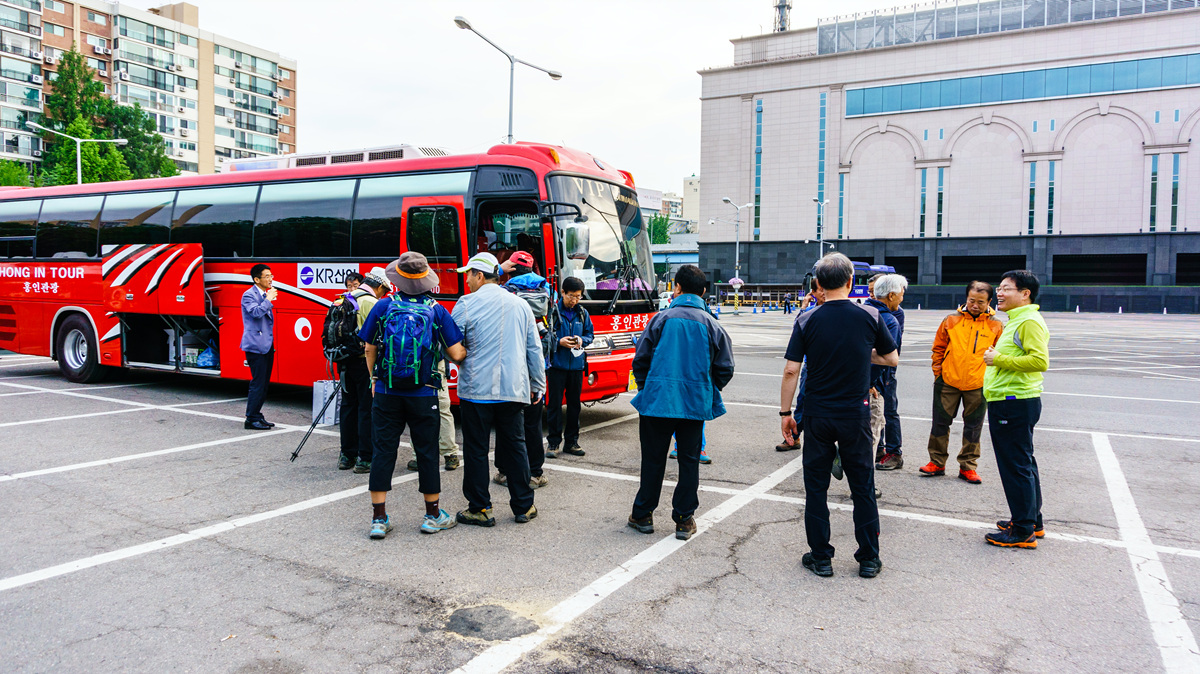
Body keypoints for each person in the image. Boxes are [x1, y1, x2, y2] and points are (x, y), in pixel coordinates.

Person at [779, 253, 897, 579]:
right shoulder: (870, 315)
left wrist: (786, 413)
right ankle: (869, 558)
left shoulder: (806, 319)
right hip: (855, 414)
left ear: (818, 283)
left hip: (818, 414)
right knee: (862, 487)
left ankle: (821, 557)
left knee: (816, 489)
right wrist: (860, 353)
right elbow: (891, 358)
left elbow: (791, 371)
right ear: (851, 281)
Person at [360, 252, 466, 539]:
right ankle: (432, 515)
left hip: (387, 390)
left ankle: (379, 519)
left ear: (398, 279)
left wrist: (374, 378)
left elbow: (369, 347)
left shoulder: (384, 306)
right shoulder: (436, 310)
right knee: (427, 451)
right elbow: (456, 353)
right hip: (424, 392)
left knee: (383, 450)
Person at [627, 265, 734, 541]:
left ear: (677, 287)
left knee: (653, 460)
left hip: (656, 401)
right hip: (693, 404)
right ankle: (684, 519)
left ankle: (643, 514)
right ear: (703, 292)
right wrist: (706, 389)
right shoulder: (712, 324)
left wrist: (648, 387)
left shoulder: (661, 319)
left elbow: (640, 360)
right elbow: (725, 368)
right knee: (689, 461)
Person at [452, 252, 546, 527]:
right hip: (513, 388)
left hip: (475, 391)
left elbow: (452, 346)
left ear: (480, 276)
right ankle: (524, 506)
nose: (467, 281)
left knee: (476, 450)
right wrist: (538, 384)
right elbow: (534, 348)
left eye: (469, 275)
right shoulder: (520, 305)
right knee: (515, 446)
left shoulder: (465, 303)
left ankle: (480, 508)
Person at [983, 270, 1049, 549]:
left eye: (1006, 288)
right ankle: (1031, 521)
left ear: (1025, 294)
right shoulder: (1019, 319)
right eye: (999, 287)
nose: (999, 293)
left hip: (1013, 402)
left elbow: (1040, 361)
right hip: (1013, 401)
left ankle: (1022, 531)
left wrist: (998, 358)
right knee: (1024, 462)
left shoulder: (1029, 321)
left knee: (1015, 466)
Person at [920, 281, 1003, 484]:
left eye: (981, 302)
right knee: (940, 423)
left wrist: (990, 379)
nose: (975, 305)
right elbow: (938, 348)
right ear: (966, 298)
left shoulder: (996, 325)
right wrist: (938, 373)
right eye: (971, 300)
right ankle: (937, 462)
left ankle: (968, 466)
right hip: (948, 381)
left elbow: (1000, 354)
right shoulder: (951, 320)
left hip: (978, 383)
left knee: (973, 426)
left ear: (989, 302)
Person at [494, 250, 556, 489]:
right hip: (537, 367)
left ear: (512, 269)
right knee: (532, 424)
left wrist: (499, 270)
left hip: (510, 368)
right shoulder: (545, 289)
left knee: (506, 422)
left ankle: (503, 471)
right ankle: (535, 472)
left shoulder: (504, 291)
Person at [336, 267, 389, 473]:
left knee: (348, 406)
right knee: (366, 409)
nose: (383, 294)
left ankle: (346, 455)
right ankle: (364, 458)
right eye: (384, 290)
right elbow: (373, 342)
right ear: (379, 286)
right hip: (363, 363)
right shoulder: (371, 302)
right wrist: (373, 372)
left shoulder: (343, 298)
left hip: (343, 361)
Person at [545, 275, 593, 459]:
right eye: (571, 295)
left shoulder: (583, 313)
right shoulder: (553, 311)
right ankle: (553, 443)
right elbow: (544, 336)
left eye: (578, 296)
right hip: (557, 366)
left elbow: (590, 335)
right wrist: (559, 342)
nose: (574, 300)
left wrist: (581, 340)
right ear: (563, 292)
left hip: (576, 367)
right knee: (554, 406)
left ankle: (571, 442)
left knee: (574, 406)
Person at [775, 281, 824, 452]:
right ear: (813, 293)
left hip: (829, 366)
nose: (824, 293)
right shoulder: (808, 312)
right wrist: (804, 306)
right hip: (810, 366)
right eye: (820, 290)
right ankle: (794, 437)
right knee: (803, 401)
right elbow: (797, 329)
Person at [873, 274, 908, 470]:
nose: (902, 298)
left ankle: (893, 452)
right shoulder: (886, 317)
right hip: (878, 373)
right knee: (878, 412)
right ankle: (881, 448)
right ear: (891, 295)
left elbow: (889, 353)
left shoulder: (895, 315)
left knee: (887, 411)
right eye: (901, 293)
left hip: (884, 373)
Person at [241, 263, 276, 430]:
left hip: (267, 345)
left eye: (271, 276)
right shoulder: (248, 295)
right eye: (267, 276)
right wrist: (268, 300)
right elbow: (255, 313)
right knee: (258, 383)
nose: (270, 279)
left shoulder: (263, 294)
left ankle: (257, 414)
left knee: (264, 384)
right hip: (255, 346)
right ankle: (251, 418)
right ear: (256, 279)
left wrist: (267, 298)